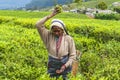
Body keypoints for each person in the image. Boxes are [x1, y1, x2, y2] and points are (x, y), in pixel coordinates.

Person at [35, 6, 76, 80]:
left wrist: (65, 66)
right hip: (52, 64)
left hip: (65, 64)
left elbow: (73, 56)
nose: (56, 33)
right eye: (54, 31)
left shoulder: (69, 39)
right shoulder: (48, 35)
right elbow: (38, 25)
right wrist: (51, 15)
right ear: (51, 30)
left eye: (58, 31)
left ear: (63, 30)